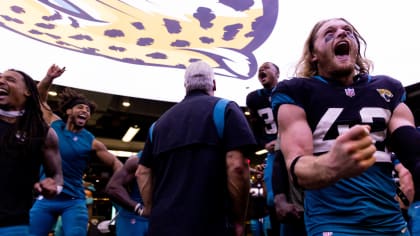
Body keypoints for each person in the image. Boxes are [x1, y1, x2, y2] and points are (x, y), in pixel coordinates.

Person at [271, 17, 420, 235]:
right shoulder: (296, 91)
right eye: (329, 33)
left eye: (348, 31)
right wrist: (332, 163)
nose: (342, 34)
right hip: (334, 222)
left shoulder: (388, 89)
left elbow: (412, 151)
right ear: (313, 55)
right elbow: (297, 167)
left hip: (389, 221)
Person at [135, 60, 257, 236]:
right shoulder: (225, 110)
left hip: (161, 227)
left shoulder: (158, 125)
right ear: (214, 84)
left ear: (185, 85)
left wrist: (152, 209)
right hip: (210, 225)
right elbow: (237, 167)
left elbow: (142, 172)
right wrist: (238, 220)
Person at [29, 64, 123, 236]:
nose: (85, 111)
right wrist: (49, 78)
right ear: (68, 110)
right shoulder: (53, 123)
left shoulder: (92, 142)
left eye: (87, 110)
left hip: (74, 201)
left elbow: (116, 163)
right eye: (80, 107)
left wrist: (118, 185)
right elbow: (39, 100)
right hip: (46, 199)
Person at [0, 69, 63, 235]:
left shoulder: (44, 133)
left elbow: (56, 175)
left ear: (28, 91)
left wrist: (54, 188)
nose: (1, 81)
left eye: (10, 79)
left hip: (12, 225)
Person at [245, 61, 280, 235]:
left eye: (267, 67)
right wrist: (264, 143)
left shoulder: (288, 91)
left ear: (278, 74)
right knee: (272, 198)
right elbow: (254, 127)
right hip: (274, 153)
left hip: (291, 148)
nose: (262, 69)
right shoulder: (254, 98)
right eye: (260, 69)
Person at [105, 151, 149, 236]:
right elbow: (112, 188)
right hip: (134, 218)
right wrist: (138, 208)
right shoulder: (137, 160)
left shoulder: (175, 161)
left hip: (158, 218)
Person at [248, 165, 271, 236]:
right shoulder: (250, 184)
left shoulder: (266, 183)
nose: (259, 172)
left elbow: (266, 196)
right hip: (254, 215)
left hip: (266, 214)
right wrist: (255, 170)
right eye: (257, 170)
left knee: (267, 233)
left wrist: (264, 176)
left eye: (261, 170)